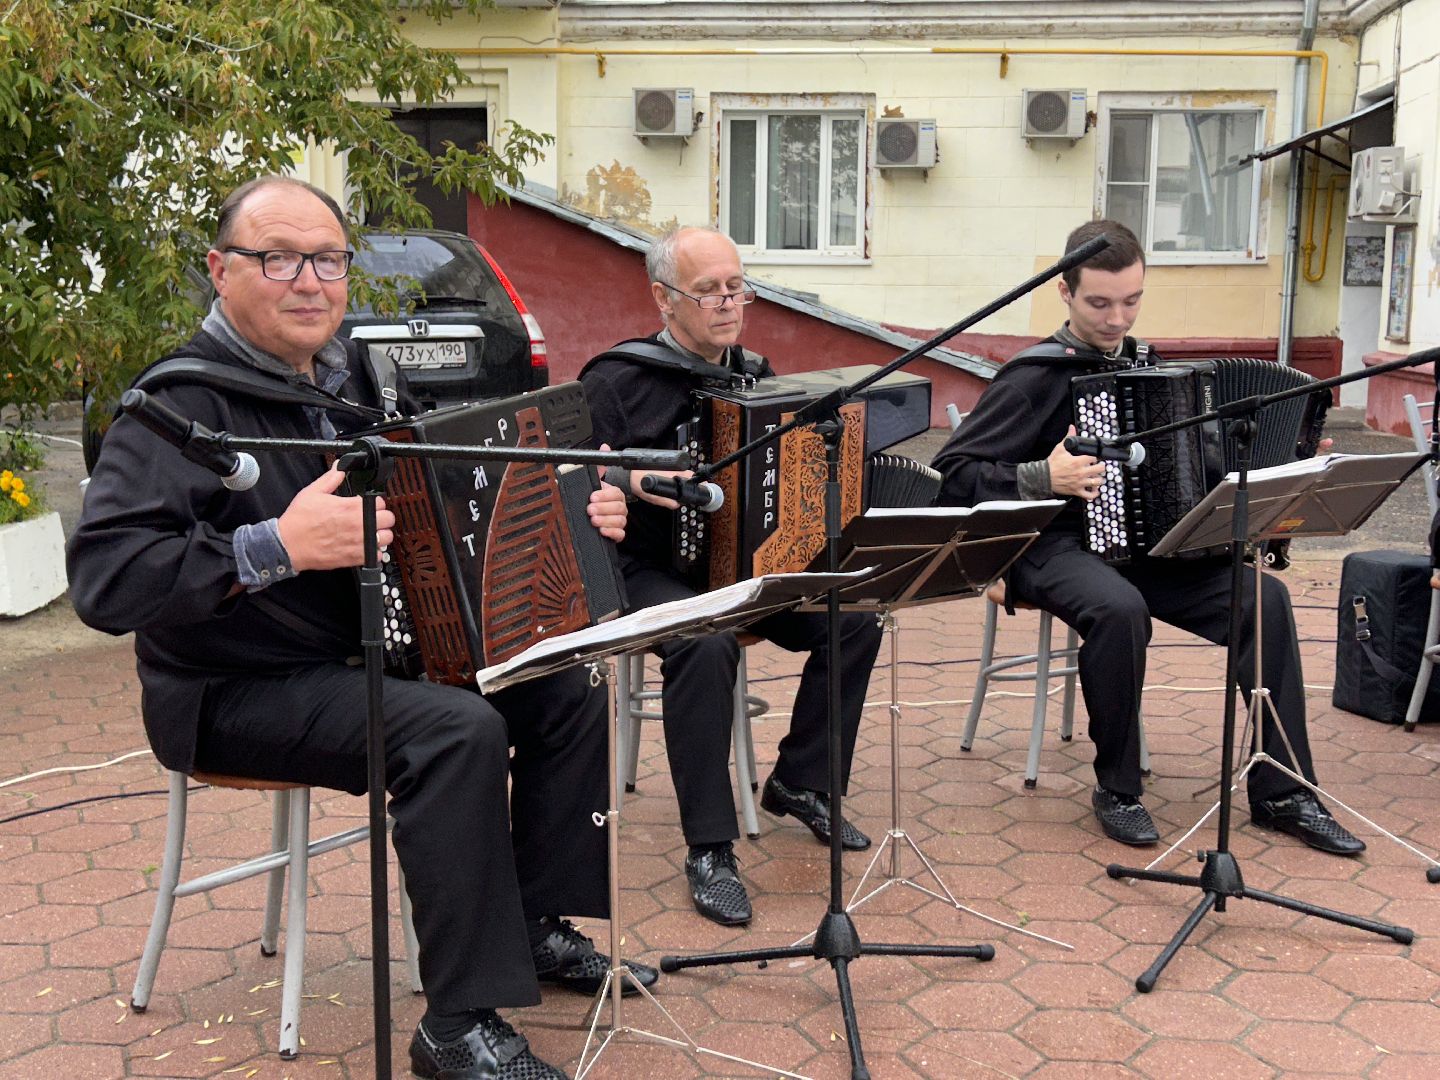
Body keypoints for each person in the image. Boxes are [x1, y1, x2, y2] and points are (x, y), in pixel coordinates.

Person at [67, 176, 658, 1080]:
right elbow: (106, 582)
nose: (310, 281)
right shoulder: (176, 406)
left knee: (561, 674)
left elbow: (452, 499)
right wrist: (276, 546)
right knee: (457, 732)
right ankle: (457, 1027)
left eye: (329, 260)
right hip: (230, 687)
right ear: (221, 272)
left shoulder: (353, 379)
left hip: (362, 652)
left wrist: (579, 509)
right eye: (280, 259)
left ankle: (534, 923)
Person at [931, 219, 1364, 856]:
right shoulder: (1033, 376)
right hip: (1047, 546)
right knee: (1118, 608)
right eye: (1100, 303)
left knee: (1263, 601)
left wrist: (1290, 460)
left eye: (1131, 301)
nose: (1116, 319)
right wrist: (1039, 475)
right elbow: (951, 477)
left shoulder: (1146, 365)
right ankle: (1117, 787)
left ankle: (1284, 790)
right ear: (1065, 293)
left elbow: (1194, 464)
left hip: (1144, 546)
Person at [578, 226, 885, 927]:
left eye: (735, 287)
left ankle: (801, 781)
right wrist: (629, 477)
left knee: (854, 618)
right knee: (704, 643)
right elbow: (575, 471)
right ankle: (710, 849)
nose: (728, 303)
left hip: (741, 565)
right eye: (709, 290)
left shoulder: (753, 371)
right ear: (664, 298)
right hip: (649, 570)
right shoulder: (615, 378)